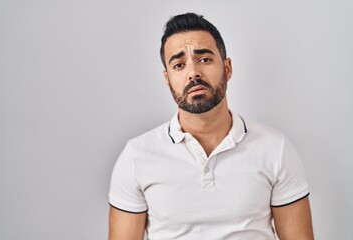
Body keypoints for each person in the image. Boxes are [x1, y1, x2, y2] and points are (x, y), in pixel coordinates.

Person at [108, 13, 314, 240]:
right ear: (167, 80)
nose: (193, 72)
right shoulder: (137, 156)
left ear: (227, 68)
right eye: (179, 65)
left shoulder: (275, 148)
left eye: (204, 59)